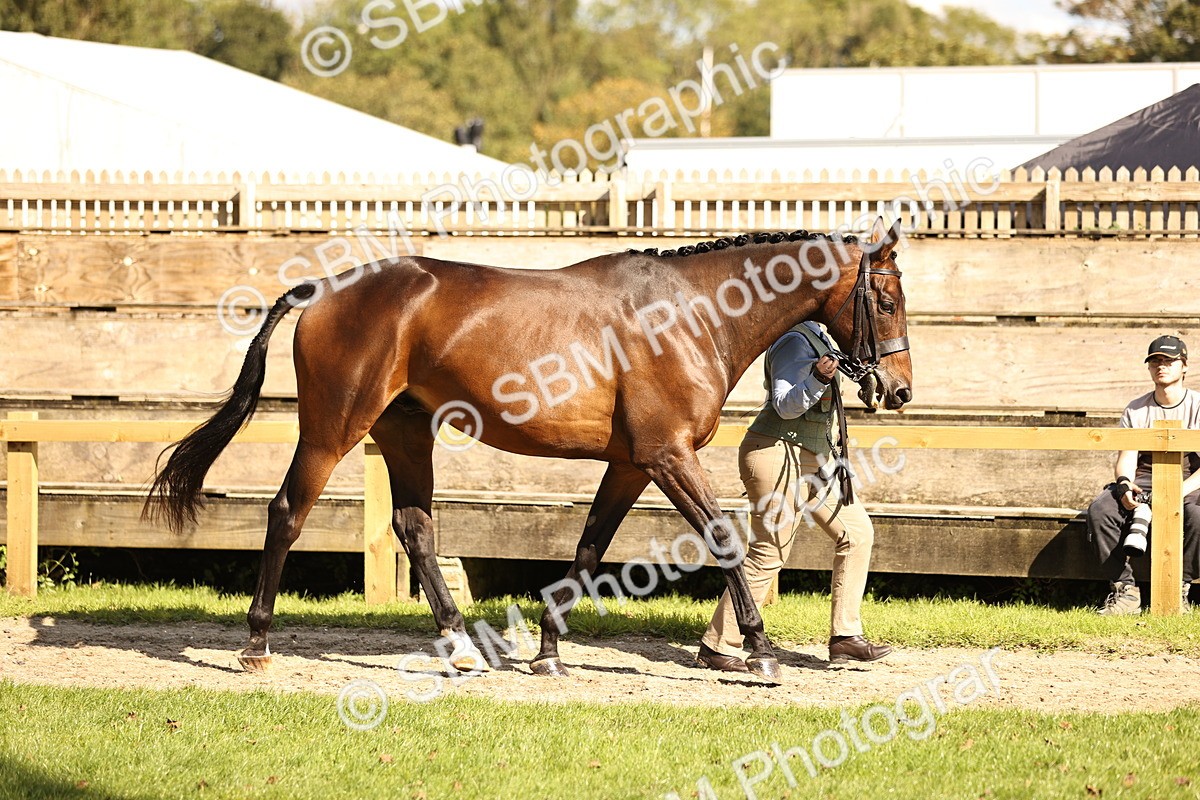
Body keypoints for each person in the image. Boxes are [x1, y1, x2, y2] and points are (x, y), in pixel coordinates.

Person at [696, 320, 892, 672]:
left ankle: (845, 637)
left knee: (857, 533)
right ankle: (717, 645)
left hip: (814, 457)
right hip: (775, 452)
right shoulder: (791, 341)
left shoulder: (819, 335)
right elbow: (786, 405)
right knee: (768, 553)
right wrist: (818, 378)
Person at [1086, 335, 1200, 615]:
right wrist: (1125, 486)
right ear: (1149, 368)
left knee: (1198, 516)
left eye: (1169, 360)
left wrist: (1174, 494)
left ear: (1184, 366)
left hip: (1188, 478)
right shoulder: (1136, 408)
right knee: (1101, 511)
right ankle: (1125, 592)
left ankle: (1178, 589)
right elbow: (1127, 459)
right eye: (1155, 361)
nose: (1162, 366)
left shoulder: (1198, 405)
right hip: (1145, 476)